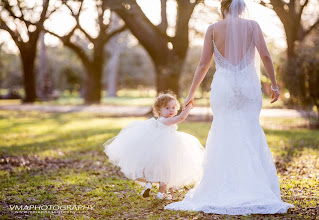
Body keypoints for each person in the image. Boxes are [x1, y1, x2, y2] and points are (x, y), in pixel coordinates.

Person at [165, 0, 294, 215]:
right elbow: (266, 56)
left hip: (224, 87)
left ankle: (221, 186)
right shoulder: (252, 25)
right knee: (249, 131)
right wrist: (274, 85)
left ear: (223, 8)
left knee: (223, 131)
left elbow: (203, 64)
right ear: (242, 8)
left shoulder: (213, 29)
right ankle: (252, 185)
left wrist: (190, 94)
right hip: (247, 87)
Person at [104, 92, 204, 200]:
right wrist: (189, 106)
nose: (171, 110)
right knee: (165, 171)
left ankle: (148, 185)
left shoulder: (159, 120)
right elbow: (181, 118)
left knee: (153, 168)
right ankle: (161, 193)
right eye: (167, 108)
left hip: (156, 150)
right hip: (167, 149)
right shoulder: (166, 120)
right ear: (159, 110)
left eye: (174, 107)